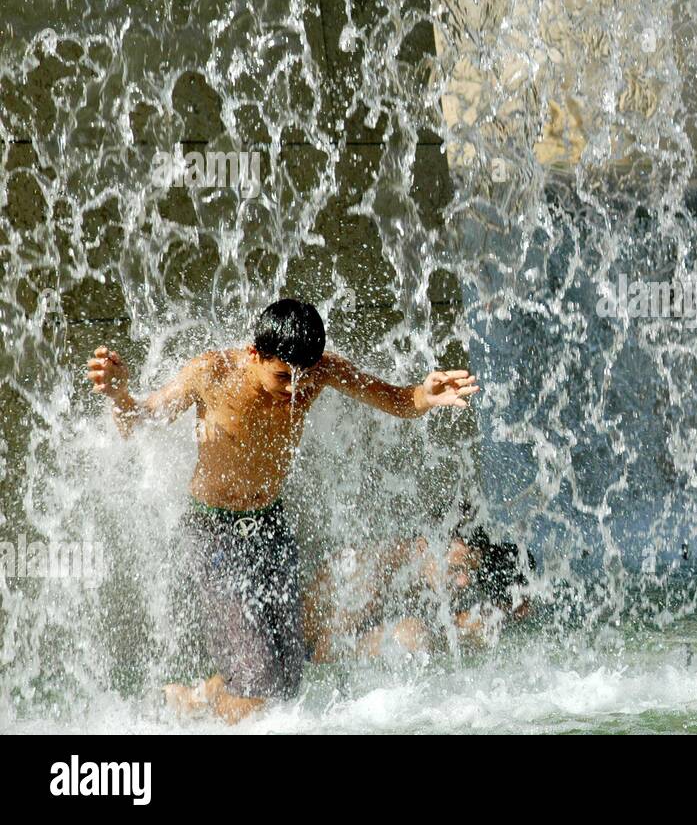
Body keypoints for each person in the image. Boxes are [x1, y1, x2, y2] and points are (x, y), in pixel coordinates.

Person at [85, 298, 479, 722]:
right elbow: (140, 420)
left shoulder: (320, 370)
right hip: (214, 531)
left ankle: (196, 700)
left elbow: (400, 401)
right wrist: (119, 395)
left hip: (270, 526)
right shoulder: (211, 372)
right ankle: (208, 710)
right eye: (282, 376)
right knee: (260, 684)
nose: (295, 389)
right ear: (256, 354)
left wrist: (425, 394)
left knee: (288, 678)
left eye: (304, 377)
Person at [302, 511, 534, 663]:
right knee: (412, 633)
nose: (464, 582)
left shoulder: (425, 585)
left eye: (470, 573)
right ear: (425, 547)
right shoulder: (374, 566)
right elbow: (323, 653)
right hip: (304, 655)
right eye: (457, 569)